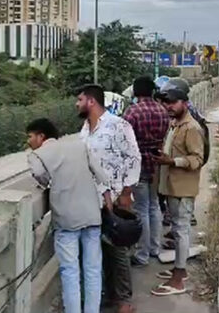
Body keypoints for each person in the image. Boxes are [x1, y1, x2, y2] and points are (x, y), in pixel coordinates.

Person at [26, 118, 111, 313]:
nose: (29, 141)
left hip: (66, 220)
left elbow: (41, 177)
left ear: (41, 136)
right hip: (91, 215)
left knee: (70, 272)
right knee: (93, 270)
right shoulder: (79, 146)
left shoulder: (37, 155)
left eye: (30, 136)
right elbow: (101, 174)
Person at [77, 84, 141, 313]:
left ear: (91, 101)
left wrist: (126, 193)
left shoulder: (118, 125)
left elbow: (134, 157)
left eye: (80, 99)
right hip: (91, 199)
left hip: (114, 197)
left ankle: (124, 299)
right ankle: (107, 295)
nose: (77, 104)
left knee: (118, 249)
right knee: (99, 250)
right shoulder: (84, 130)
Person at [151, 88, 205, 296]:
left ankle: (179, 279)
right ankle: (178, 271)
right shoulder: (175, 125)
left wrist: (172, 161)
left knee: (181, 230)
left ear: (184, 102)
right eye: (166, 103)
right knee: (177, 229)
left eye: (172, 103)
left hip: (183, 188)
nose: (168, 107)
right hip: (172, 185)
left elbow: (197, 159)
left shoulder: (191, 128)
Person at [122, 77, 170, 267]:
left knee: (141, 209)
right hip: (157, 162)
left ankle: (141, 255)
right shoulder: (162, 111)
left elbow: (124, 140)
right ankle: (154, 248)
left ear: (135, 91)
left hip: (138, 165)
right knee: (154, 206)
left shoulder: (132, 112)